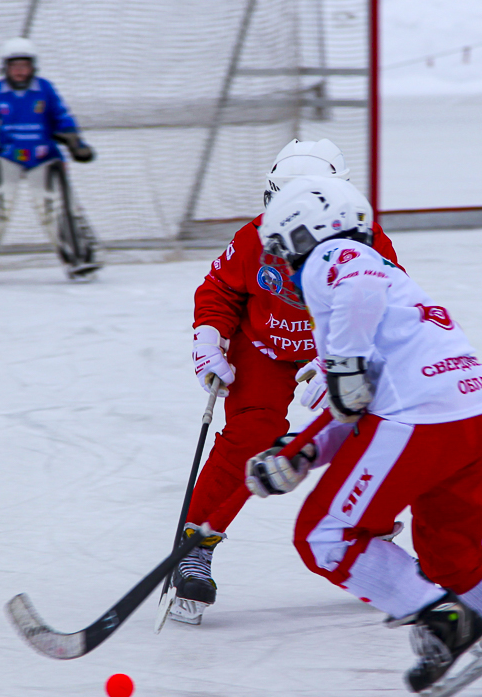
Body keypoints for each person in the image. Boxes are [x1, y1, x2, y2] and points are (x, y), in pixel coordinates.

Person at [244, 175, 482, 697]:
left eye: (282, 249)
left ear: (302, 233)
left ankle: (445, 620)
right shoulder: (382, 273)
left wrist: (345, 362)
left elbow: (359, 361)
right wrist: (300, 454)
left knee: (324, 536)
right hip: (476, 412)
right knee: (453, 553)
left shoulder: (332, 260)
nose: (283, 263)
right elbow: (356, 401)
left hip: (419, 418)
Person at [170, 140, 402, 625]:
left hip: (332, 350)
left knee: (369, 432)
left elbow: (389, 305)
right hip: (263, 350)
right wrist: (210, 336)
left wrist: (341, 360)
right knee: (249, 436)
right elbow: (221, 288)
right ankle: (196, 544)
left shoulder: (365, 241)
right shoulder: (255, 238)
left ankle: (370, 542)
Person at [0, 37, 99, 281]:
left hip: (43, 156)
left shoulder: (45, 89)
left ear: (33, 68)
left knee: (57, 207)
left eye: (24, 66)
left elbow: (62, 117)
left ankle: (81, 259)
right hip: (6, 155)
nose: (19, 72)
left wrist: (75, 143)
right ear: (5, 68)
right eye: (14, 66)